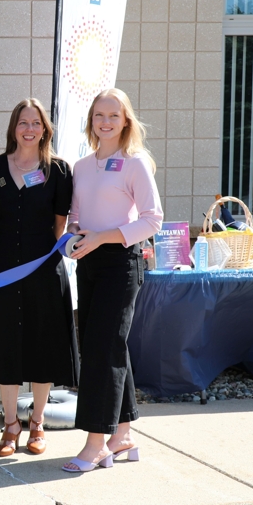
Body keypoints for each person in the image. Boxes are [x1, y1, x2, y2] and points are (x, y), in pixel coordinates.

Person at [0, 99, 78, 458]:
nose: (29, 129)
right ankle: (11, 425)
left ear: (45, 128)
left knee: (42, 345)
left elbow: (59, 225)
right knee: (7, 345)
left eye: (36, 123)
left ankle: (38, 424)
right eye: (22, 123)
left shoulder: (59, 171)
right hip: (3, 268)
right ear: (13, 128)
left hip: (44, 269)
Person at [64, 88, 163, 473]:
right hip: (88, 263)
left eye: (113, 115)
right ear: (91, 120)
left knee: (102, 350)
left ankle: (96, 443)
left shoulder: (136, 163)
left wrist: (102, 237)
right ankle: (122, 435)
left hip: (122, 262)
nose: (105, 122)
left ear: (126, 121)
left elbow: (152, 220)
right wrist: (75, 233)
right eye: (99, 115)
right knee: (107, 347)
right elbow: (77, 214)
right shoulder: (82, 166)